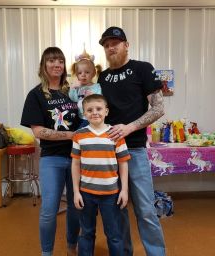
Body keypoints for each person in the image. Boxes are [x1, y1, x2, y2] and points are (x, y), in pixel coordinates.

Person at [98, 26, 166, 256]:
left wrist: (130, 128)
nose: (111, 47)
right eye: (106, 45)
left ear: (126, 45)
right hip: (108, 154)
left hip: (135, 150)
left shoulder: (142, 69)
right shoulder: (102, 77)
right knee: (117, 210)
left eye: (115, 42)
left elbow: (158, 108)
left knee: (146, 210)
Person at [21, 47, 80, 256]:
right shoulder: (36, 95)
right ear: (43, 65)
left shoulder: (73, 91)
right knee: (48, 211)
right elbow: (38, 132)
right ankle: (47, 253)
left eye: (61, 61)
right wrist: (69, 135)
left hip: (77, 158)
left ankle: (72, 247)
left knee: (76, 206)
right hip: (52, 158)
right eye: (52, 60)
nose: (57, 65)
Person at [71, 94, 131, 256]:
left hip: (111, 194)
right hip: (86, 193)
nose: (94, 112)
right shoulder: (79, 135)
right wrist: (76, 192)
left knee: (114, 234)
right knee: (87, 233)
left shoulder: (115, 134)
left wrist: (124, 190)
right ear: (84, 113)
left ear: (106, 111)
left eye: (98, 109)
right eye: (89, 110)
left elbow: (123, 163)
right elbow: (75, 164)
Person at [69, 48, 102, 128]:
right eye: (80, 73)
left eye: (87, 72)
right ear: (77, 75)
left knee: (81, 134)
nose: (83, 75)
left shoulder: (96, 86)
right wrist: (72, 89)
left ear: (93, 73)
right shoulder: (78, 88)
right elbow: (74, 99)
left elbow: (101, 100)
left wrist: (92, 96)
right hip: (80, 117)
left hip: (92, 118)